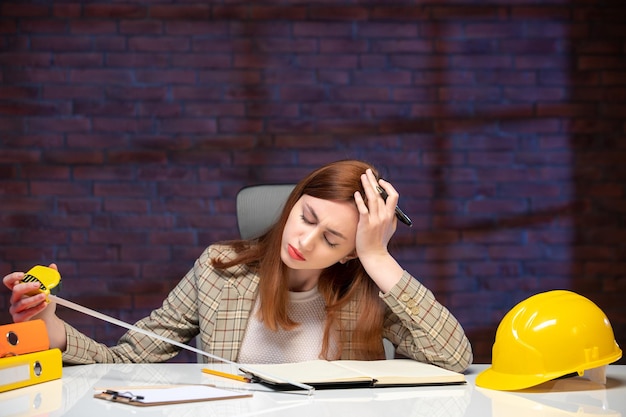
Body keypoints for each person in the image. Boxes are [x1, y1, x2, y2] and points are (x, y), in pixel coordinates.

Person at [4, 160, 473, 372]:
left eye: (331, 239)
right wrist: (50, 325)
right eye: (305, 217)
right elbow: (127, 359)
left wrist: (377, 256)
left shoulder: (368, 285)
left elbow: (454, 359)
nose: (304, 241)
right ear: (292, 204)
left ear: (350, 252)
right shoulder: (217, 269)